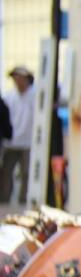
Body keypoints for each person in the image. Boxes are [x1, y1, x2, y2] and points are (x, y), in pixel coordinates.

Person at [2, 65, 35, 204]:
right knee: (6, 173)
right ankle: (4, 200)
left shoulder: (35, 96)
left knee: (27, 174)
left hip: (28, 142)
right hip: (11, 142)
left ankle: (24, 201)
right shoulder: (8, 97)